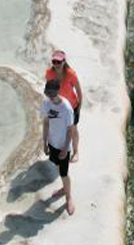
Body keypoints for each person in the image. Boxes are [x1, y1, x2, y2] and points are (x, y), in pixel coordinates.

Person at [41, 79, 79, 216]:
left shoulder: (66, 108)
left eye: (52, 93)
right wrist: (45, 143)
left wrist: (65, 149)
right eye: (47, 93)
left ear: (58, 91)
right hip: (52, 143)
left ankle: (69, 197)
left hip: (63, 146)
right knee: (57, 166)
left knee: (64, 173)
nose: (50, 96)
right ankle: (64, 188)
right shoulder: (46, 103)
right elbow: (46, 123)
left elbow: (70, 130)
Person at [45, 50, 85, 124]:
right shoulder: (49, 73)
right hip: (58, 107)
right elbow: (49, 90)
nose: (56, 64)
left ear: (64, 61)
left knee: (72, 128)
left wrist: (79, 108)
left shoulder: (71, 74)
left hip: (72, 107)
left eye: (59, 62)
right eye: (54, 62)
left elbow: (79, 91)